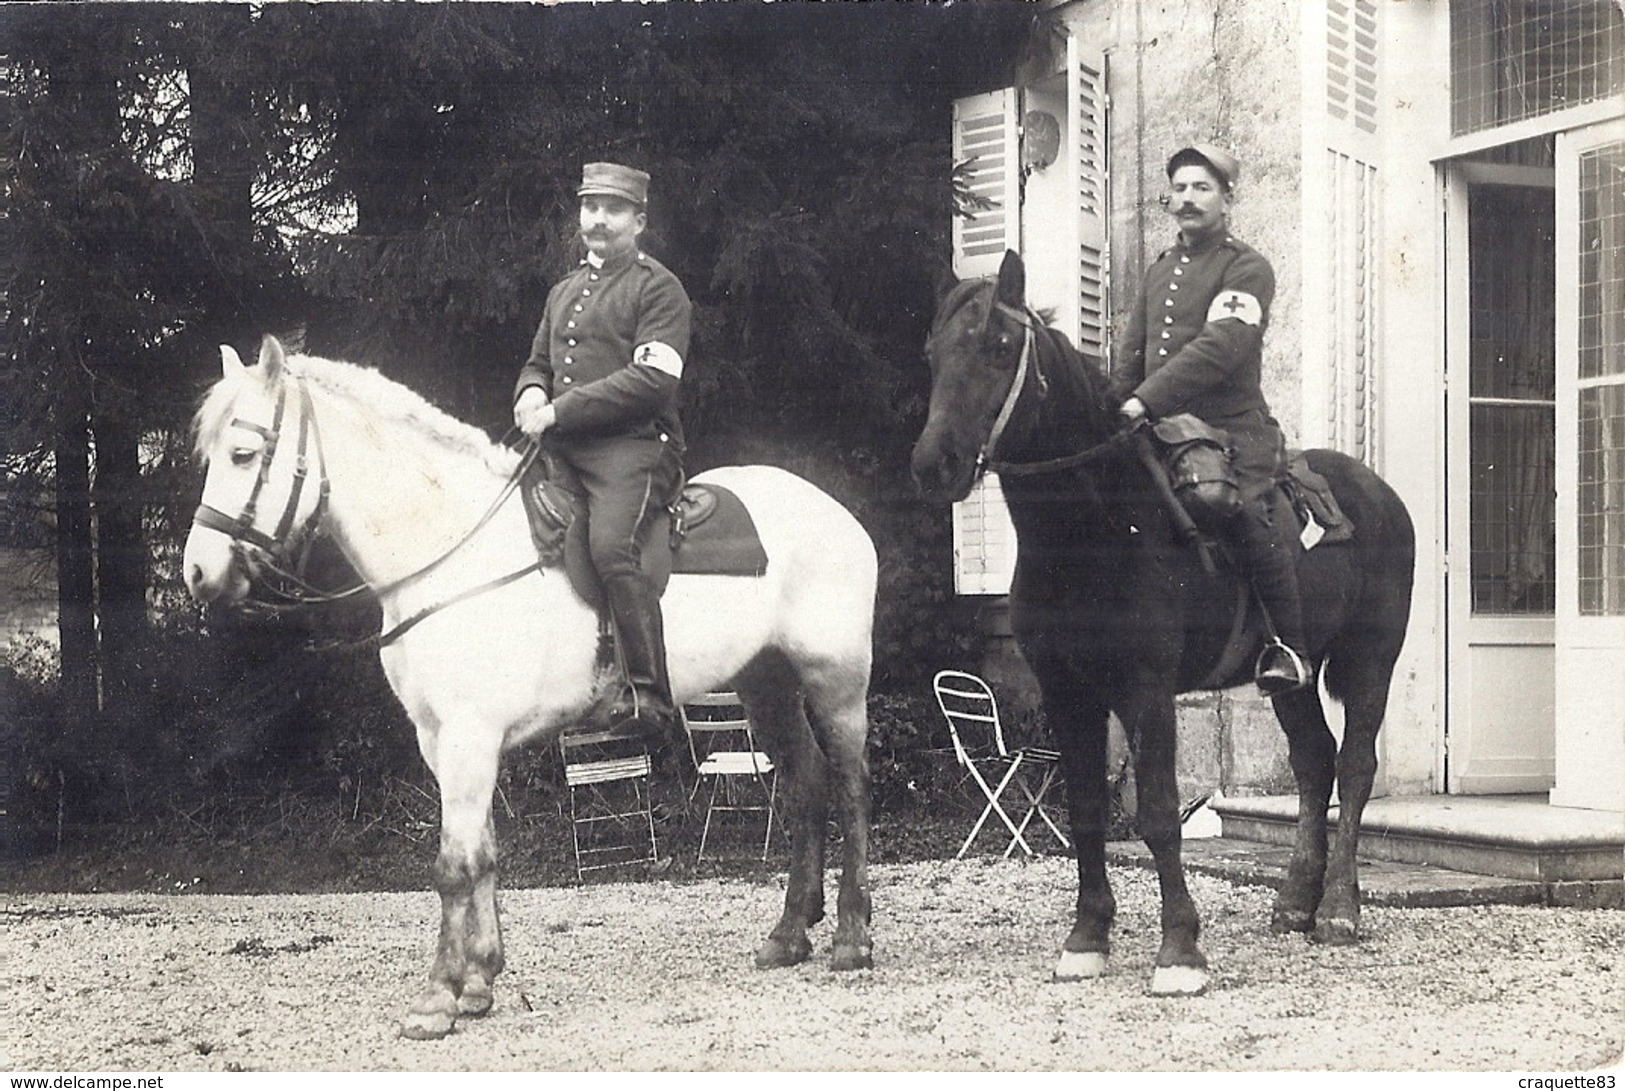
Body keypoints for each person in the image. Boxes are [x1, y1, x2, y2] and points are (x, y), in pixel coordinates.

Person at [1111, 143, 1312, 696]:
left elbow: (1221, 347)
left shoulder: (1246, 268)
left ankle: (1284, 646)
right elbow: (1131, 355)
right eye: (1179, 188)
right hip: (1159, 429)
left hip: (1231, 429)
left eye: (1201, 188)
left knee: (1241, 509)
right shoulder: (1159, 271)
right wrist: (1113, 407)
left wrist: (1145, 400)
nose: (1187, 199)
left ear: (1227, 198)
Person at [513, 161, 693, 743]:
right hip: (564, 451)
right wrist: (532, 392)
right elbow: (538, 363)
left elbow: (652, 382)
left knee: (612, 547)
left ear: (639, 220)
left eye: (612, 209)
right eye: (589, 206)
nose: (597, 219)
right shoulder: (563, 291)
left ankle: (648, 696)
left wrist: (560, 411)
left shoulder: (659, 288)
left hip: (635, 449)